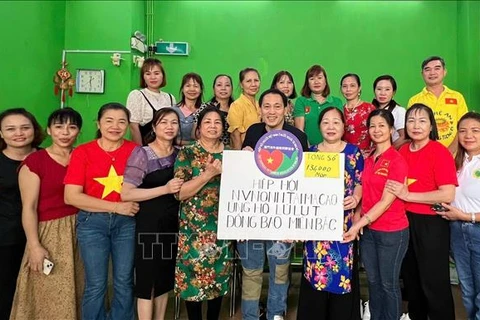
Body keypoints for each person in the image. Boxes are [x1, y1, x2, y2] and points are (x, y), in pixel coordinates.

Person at [64, 102, 139, 320]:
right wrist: (116, 207)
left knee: (124, 280)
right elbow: (71, 196)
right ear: (98, 123)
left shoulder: (135, 151)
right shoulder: (82, 152)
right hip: (92, 223)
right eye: (109, 120)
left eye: (121, 121)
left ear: (127, 126)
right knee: (96, 283)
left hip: (126, 224)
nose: (115, 126)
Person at [240, 88, 308, 320]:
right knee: (251, 271)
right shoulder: (252, 132)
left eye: (277, 106)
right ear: (259, 110)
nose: (271, 111)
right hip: (251, 221)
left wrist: (296, 224)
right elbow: (242, 179)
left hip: (283, 224)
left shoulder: (297, 137)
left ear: (286, 109)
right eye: (266, 106)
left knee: (280, 271)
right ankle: (250, 316)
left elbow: (304, 181)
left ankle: (275, 315)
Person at [10, 108, 84, 319]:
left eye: (72, 127)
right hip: (50, 233)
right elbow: (29, 207)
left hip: (83, 230)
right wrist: (34, 245)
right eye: (59, 127)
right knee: (47, 291)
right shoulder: (35, 161)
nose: (65, 132)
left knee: (83, 288)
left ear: (79, 131)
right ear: (49, 130)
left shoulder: (82, 156)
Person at [386, 103, 457, 320]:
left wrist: (409, 196)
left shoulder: (439, 151)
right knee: (411, 280)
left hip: (431, 224)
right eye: (411, 120)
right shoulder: (402, 150)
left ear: (431, 126)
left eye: (422, 120)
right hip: (404, 222)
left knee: (434, 281)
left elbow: (447, 194)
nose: (416, 125)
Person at [297, 106, 363, 320]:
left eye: (336, 122)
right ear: (319, 126)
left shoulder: (354, 153)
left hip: (343, 226)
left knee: (342, 275)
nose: (331, 126)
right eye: (326, 122)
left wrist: (356, 198)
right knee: (314, 275)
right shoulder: (311, 154)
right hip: (315, 228)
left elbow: (360, 182)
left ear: (344, 126)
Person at [343, 109, 409, 320]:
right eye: (373, 126)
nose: (377, 130)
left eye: (382, 126)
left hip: (392, 232)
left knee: (388, 284)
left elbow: (385, 202)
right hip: (369, 232)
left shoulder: (397, 160)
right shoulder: (369, 158)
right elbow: (366, 192)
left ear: (391, 130)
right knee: (373, 281)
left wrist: (357, 224)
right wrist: (358, 215)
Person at [121, 108, 183, 320]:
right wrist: (165, 189)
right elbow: (127, 193)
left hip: (172, 223)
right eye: (164, 122)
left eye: (174, 123)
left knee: (165, 278)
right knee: (147, 280)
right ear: (154, 127)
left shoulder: (179, 155)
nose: (169, 127)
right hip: (148, 223)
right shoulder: (142, 153)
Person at [174, 106, 232, 320]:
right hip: (193, 228)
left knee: (218, 276)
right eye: (207, 122)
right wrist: (207, 174)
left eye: (217, 122)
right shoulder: (187, 153)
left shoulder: (231, 155)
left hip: (222, 226)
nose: (213, 126)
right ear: (198, 128)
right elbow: (180, 193)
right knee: (192, 279)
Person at [435, 112, 480, 320]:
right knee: (468, 291)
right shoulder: (457, 162)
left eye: (475, 131)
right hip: (457, 232)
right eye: (462, 131)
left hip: (476, 229)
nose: (468, 135)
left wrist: (465, 216)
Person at [0, 108, 43, 320]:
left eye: (25, 127)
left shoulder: (47, 157)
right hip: (7, 238)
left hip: (46, 235)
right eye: (11, 129)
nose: (19, 133)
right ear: (1, 134)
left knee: (41, 291)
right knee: (7, 290)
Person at [407, 56, 468, 154]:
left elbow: (463, 126)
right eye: (427, 69)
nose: (432, 73)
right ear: (422, 74)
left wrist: (449, 152)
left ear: (444, 72)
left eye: (437, 68)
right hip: (426, 156)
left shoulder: (457, 97)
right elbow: (413, 131)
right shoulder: (415, 100)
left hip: (455, 156)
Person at [126, 58, 176, 145]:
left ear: (162, 76)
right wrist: (141, 152)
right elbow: (133, 126)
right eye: (148, 74)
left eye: (156, 73)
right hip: (146, 147)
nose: (153, 77)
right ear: (143, 77)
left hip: (168, 148)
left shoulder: (170, 97)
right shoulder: (137, 95)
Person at [293, 64, 343, 146]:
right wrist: (308, 148)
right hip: (309, 150)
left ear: (325, 81)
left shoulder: (336, 102)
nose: (316, 82)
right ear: (307, 83)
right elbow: (300, 130)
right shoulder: (301, 101)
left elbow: (340, 128)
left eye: (319, 78)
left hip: (333, 149)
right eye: (312, 79)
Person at [341, 73, 376, 157]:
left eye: (352, 85)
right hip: (345, 156)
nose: (348, 89)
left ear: (359, 88)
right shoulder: (339, 110)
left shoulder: (369, 108)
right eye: (344, 86)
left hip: (366, 156)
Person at [193, 74, 234, 146]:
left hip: (230, 152)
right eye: (219, 85)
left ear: (232, 89)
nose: (223, 88)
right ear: (213, 89)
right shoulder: (204, 108)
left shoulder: (236, 109)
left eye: (227, 85)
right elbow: (195, 134)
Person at [227, 67, 261, 150]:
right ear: (242, 85)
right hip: (245, 152)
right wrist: (240, 157)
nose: (253, 84)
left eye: (256, 80)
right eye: (248, 81)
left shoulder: (260, 104)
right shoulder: (236, 105)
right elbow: (235, 135)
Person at [372, 75, 407, 149]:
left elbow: (404, 137)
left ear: (393, 92)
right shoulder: (370, 110)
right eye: (379, 89)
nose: (382, 93)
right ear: (374, 91)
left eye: (387, 89)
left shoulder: (399, 111)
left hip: (392, 155)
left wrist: (387, 152)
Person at [174, 72, 205, 146]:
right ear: (182, 89)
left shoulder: (207, 110)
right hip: (176, 152)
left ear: (201, 90)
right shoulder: (173, 111)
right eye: (188, 86)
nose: (192, 89)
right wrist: (193, 143)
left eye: (196, 86)